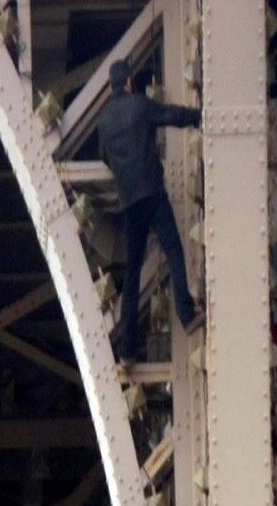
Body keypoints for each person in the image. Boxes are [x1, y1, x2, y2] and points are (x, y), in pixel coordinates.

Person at [98, 59, 205, 366]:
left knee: (131, 276)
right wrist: (198, 116)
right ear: (129, 82)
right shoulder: (139, 105)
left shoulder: (104, 123)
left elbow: (105, 156)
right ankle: (186, 313)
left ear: (111, 87)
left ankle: (127, 349)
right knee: (172, 248)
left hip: (130, 201)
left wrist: (123, 173)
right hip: (153, 193)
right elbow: (169, 114)